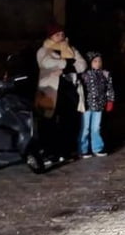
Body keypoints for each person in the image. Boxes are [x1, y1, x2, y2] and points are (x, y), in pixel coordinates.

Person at [36, 23, 86, 160]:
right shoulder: (44, 50)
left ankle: (66, 151)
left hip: (68, 89)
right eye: (57, 34)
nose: (61, 36)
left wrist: (64, 69)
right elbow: (47, 63)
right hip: (50, 91)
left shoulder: (71, 49)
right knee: (48, 121)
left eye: (62, 34)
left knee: (69, 120)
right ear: (51, 36)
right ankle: (50, 151)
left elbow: (82, 65)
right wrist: (68, 63)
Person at [77, 51, 116, 158]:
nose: (98, 63)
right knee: (85, 128)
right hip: (86, 106)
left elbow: (109, 88)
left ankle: (97, 148)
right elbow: (77, 86)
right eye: (95, 61)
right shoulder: (84, 75)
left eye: (99, 61)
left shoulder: (105, 74)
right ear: (90, 62)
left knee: (96, 127)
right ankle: (83, 149)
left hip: (99, 105)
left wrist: (110, 100)